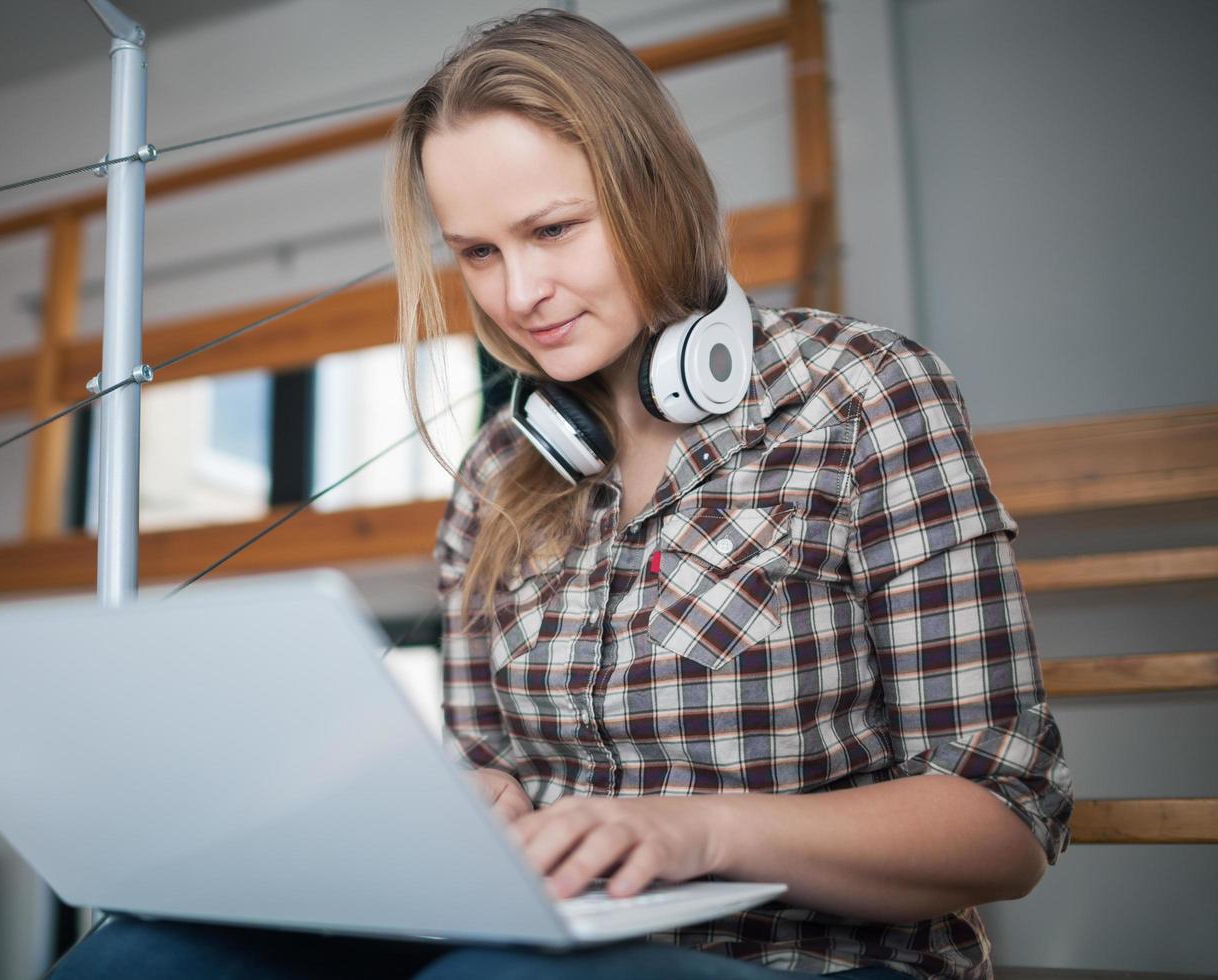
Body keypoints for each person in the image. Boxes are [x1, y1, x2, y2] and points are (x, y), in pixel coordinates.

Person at [53, 9, 1072, 978]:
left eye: (552, 229)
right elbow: (488, 767)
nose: (517, 293)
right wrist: (471, 800)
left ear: (656, 189)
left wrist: (701, 827)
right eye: (479, 252)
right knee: (142, 953)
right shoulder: (497, 468)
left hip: (813, 958)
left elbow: (1003, 820)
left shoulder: (862, 397)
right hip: (540, 942)